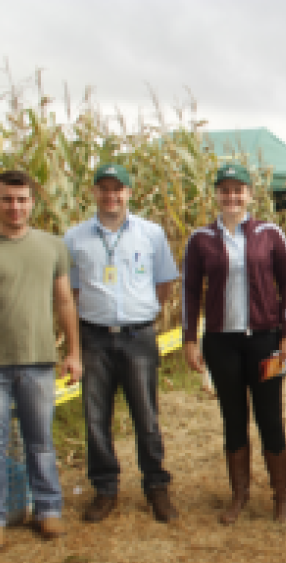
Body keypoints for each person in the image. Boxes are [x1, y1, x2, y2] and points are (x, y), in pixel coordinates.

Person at [0, 170, 82, 553]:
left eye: (22, 199)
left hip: (38, 361)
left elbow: (65, 302)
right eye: (7, 199)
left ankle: (48, 509)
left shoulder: (52, 247)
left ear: (32, 202)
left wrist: (73, 352)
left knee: (40, 442)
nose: (15, 206)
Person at [63, 163, 180, 523]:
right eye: (104, 189)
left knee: (146, 415)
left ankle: (156, 487)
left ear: (130, 193)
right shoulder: (75, 238)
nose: (111, 196)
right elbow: (71, 290)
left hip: (138, 336)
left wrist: (141, 312)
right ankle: (105, 489)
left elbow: (164, 283)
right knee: (96, 417)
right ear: (94, 192)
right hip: (94, 337)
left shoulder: (151, 234)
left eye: (119, 189)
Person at [182, 163, 286, 524]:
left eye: (238, 190)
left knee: (270, 417)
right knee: (233, 419)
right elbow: (189, 292)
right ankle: (240, 496)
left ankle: (282, 497)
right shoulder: (200, 239)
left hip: (265, 342)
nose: (232, 197)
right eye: (225, 190)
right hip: (221, 344)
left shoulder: (270, 234)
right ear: (216, 194)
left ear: (250, 194)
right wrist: (189, 339)